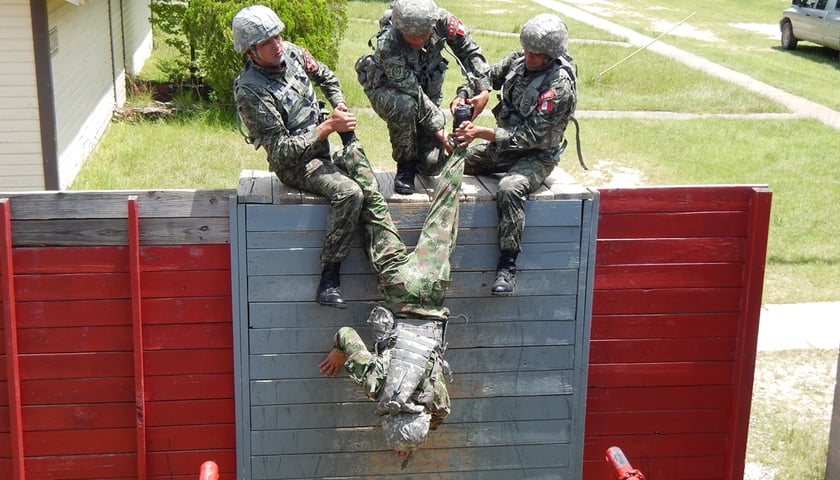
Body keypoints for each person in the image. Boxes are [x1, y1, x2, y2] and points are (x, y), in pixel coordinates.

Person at [318, 135, 466, 459]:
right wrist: (337, 354)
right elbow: (345, 335)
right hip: (397, 286)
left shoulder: (434, 399)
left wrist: (412, 436)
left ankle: (460, 146)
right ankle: (350, 141)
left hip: (430, 287)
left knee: (445, 211)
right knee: (374, 209)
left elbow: (441, 413)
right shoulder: (376, 386)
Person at [232, 5, 362, 309]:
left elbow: (327, 76)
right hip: (295, 165)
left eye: (277, 36)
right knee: (349, 193)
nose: (277, 45)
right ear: (251, 51)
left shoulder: (291, 53)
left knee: (367, 176)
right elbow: (281, 151)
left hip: (322, 149)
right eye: (266, 43)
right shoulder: (251, 91)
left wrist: (339, 105)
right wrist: (328, 127)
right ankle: (329, 280)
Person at [452, 13, 578, 296]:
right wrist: (465, 94)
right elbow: (485, 77)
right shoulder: (518, 62)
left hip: (537, 155)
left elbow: (529, 138)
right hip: (504, 146)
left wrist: (482, 133)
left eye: (536, 54)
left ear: (550, 56)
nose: (529, 57)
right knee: (449, 160)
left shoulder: (558, 87)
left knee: (509, 189)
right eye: (527, 50)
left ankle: (507, 267)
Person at [355, 0, 490, 195]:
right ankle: (405, 166)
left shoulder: (443, 22)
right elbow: (412, 91)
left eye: (423, 36)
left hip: (427, 91)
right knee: (405, 105)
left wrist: (483, 89)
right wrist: (441, 132)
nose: (418, 41)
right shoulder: (388, 43)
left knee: (431, 165)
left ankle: (423, 160)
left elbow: (470, 51)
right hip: (391, 91)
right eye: (412, 37)